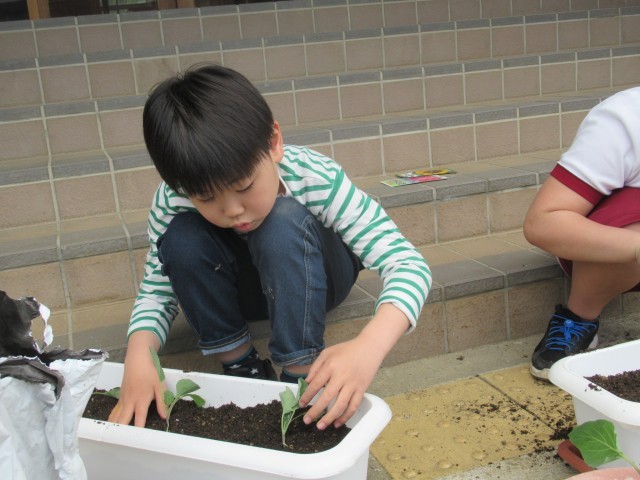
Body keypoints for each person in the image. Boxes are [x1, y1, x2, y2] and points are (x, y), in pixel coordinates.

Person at [107, 64, 432, 431]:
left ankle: (300, 375)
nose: (233, 210)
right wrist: (139, 356)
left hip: (319, 277)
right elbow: (157, 292)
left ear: (274, 142)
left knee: (281, 220)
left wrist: (369, 347)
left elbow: (408, 265)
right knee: (180, 238)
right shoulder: (173, 199)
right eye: (206, 198)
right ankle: (241, 365)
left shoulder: (313, 174)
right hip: (244, 291)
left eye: (244, 186)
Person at [524, 86, 640, 380]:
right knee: (634, 208)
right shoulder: (627, 116)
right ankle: (579, 316)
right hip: (617, 248)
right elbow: (543, 222)